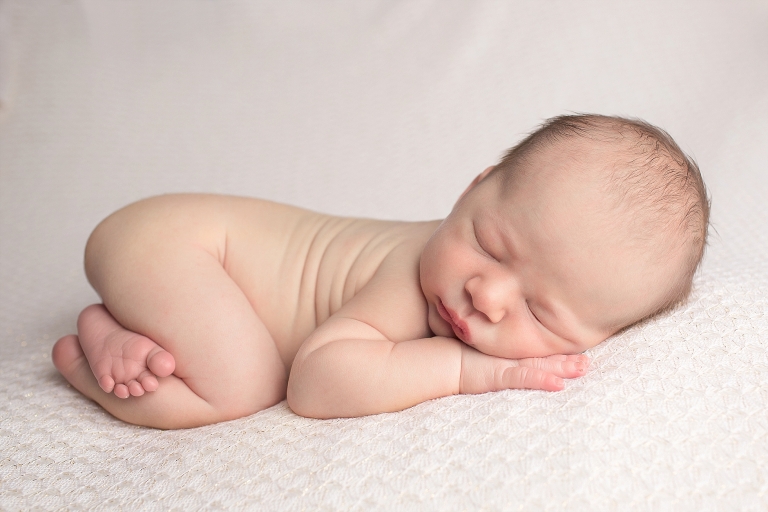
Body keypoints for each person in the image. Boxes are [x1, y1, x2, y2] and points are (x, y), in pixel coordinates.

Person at [51, 114, 709, 429]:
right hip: (173, 247)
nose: (487, 295)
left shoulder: (466, 280)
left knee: (237, 364)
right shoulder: (410, 276)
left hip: (174, 257)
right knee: (243, 386)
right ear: (474, 187)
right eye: (488, 242)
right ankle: (88, 358)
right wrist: (468, 370)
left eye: (541, 312)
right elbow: (316, 383)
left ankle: (121, 322)